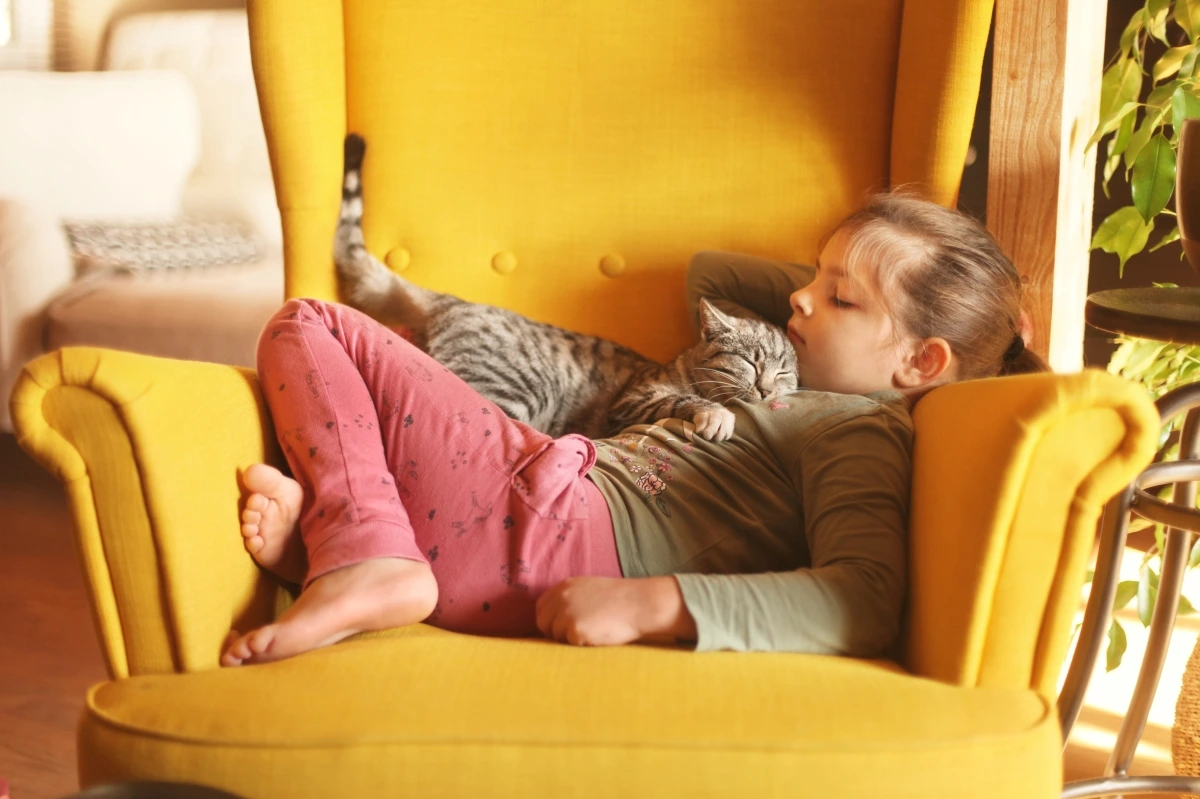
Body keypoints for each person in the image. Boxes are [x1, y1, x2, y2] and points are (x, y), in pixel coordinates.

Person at [220, 191, 1047, 667]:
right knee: (372, 382)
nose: (797, 300)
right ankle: (345, 543)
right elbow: (713, 275)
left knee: (311, 326)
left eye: (839, 299)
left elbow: (863, 599)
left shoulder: (863, 433)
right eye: (811, 277)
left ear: (922, 363)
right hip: (536, 505)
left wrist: (652, 606)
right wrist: (851, 275)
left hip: (553, 515)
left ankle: (364, 548)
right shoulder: (813, 392)